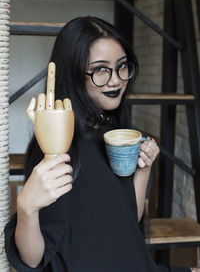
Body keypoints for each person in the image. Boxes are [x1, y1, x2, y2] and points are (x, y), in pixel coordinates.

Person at [4, 16, 197, 272]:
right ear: (74, 74)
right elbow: (32, 259)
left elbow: (126, 221)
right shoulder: (57, 147)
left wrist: (143, 170)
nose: (116, 80)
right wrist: (27, 207)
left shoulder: (116, 134)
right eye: (100, 69)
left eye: (122, 66)